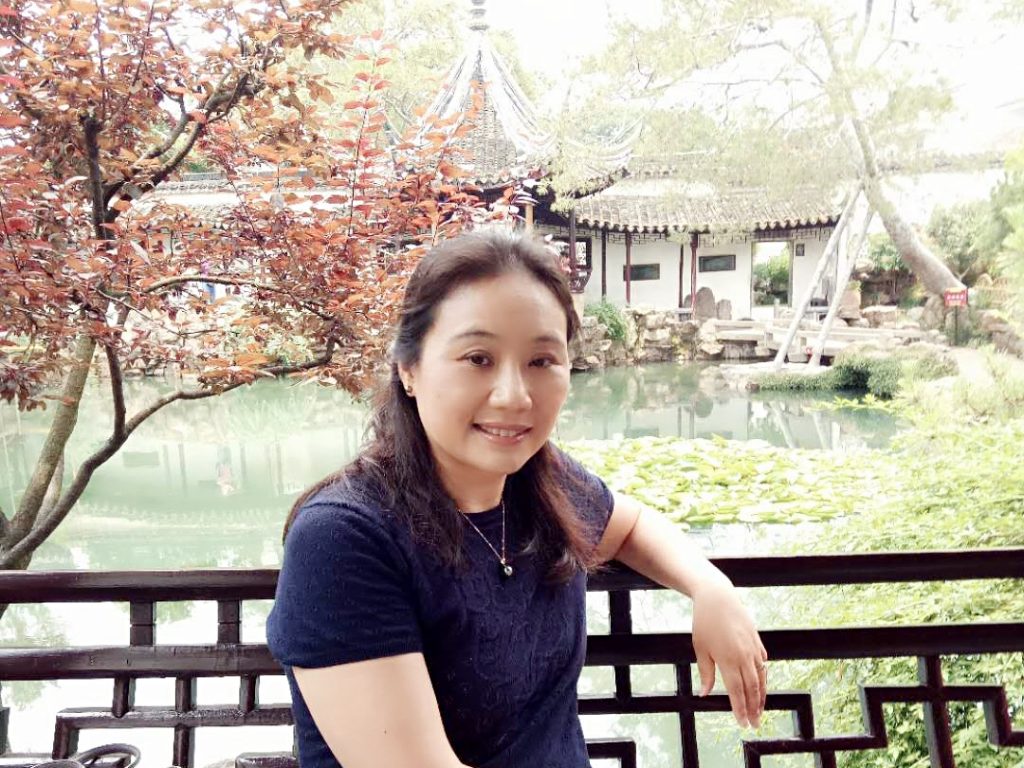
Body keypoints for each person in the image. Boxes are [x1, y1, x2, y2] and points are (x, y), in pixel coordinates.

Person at [266, 230, 767, 768]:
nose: (514, 396)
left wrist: (709, 587)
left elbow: (630, 526)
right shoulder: (344, 539)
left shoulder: (541, 483)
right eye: (478, 358)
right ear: (409, 369)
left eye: (541, 361)